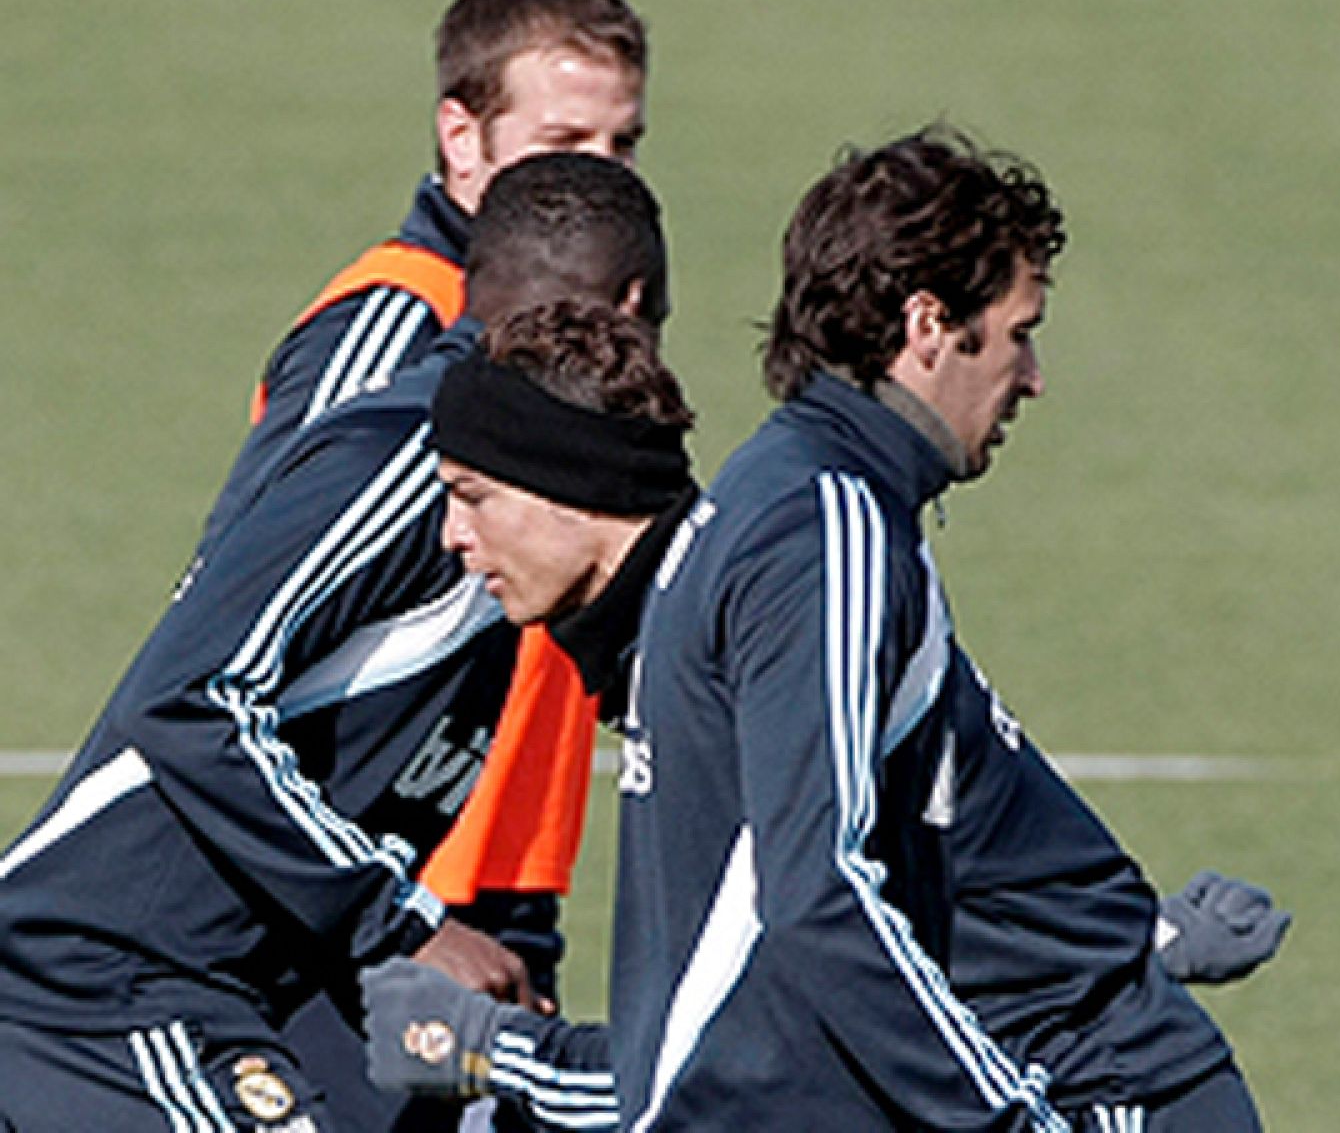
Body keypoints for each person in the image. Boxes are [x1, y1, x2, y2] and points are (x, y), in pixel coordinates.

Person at [0, 153, 687, 1132]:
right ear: (627, 308)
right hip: (107, 981)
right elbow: (190, 697)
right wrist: (403, 925)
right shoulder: (412, 459)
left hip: (269, 979)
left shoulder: (518, 495)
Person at [602, 127, 1271, 1130]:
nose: (1032, 376)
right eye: (1016, 331)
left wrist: (1140, 942)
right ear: (927, 325)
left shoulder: (785, 493)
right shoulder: (828, 529)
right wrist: (1003, 1117)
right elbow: (820, 889)